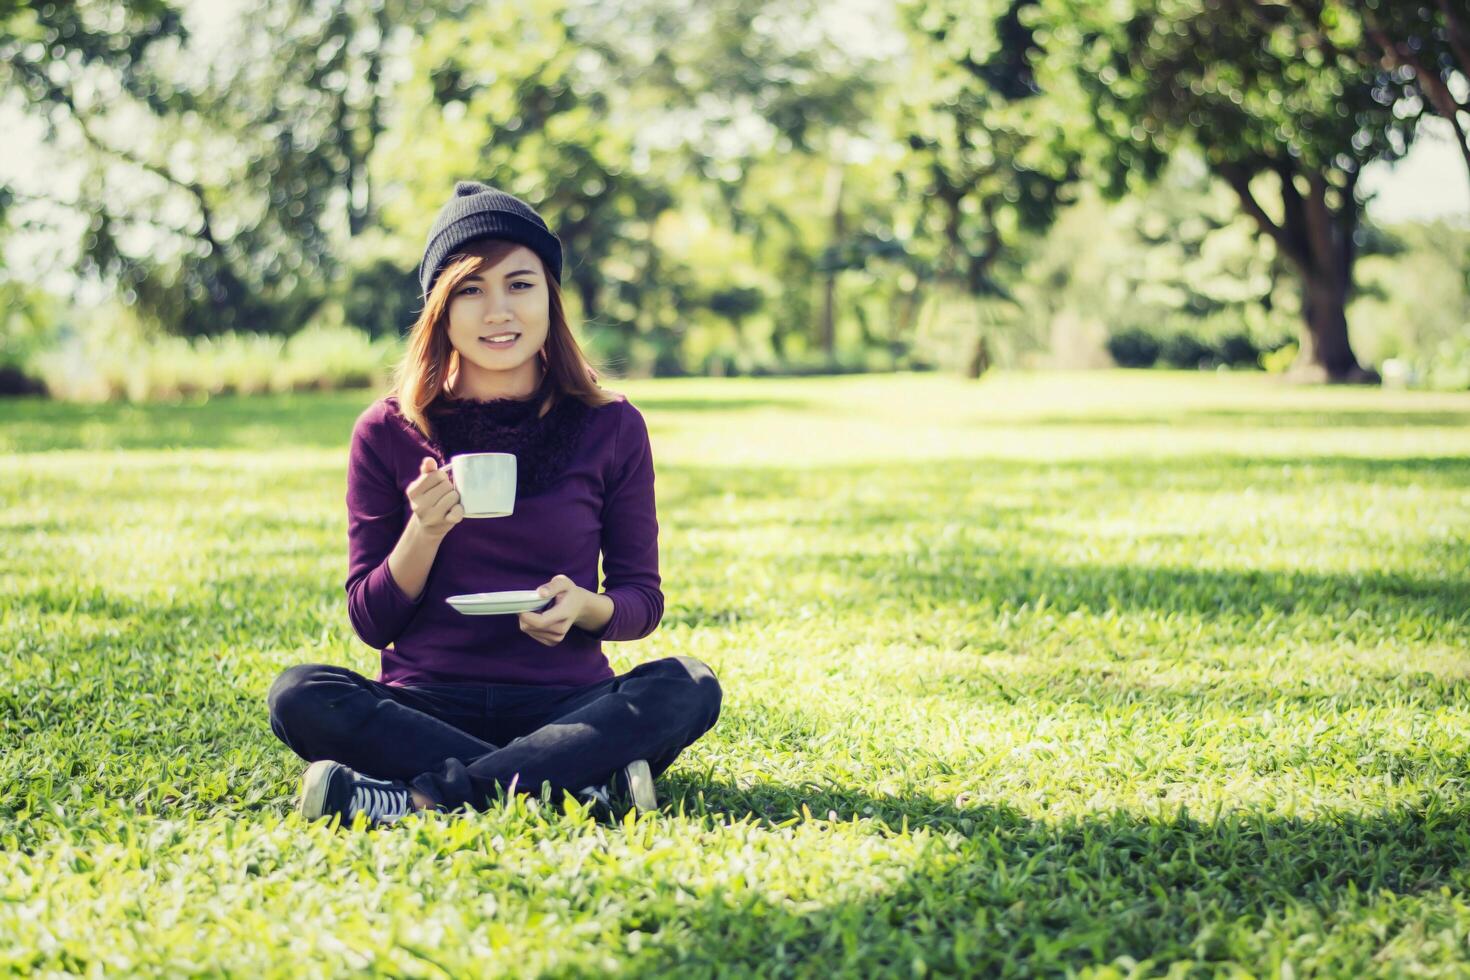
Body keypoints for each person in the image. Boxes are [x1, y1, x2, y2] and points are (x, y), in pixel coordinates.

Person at [266, 181, 722, 828]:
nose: (498, 311)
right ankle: (574, 781)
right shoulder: (388, 430)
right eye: (471, 290)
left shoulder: (611, 426)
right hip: (424, 705)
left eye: (520, 284)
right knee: (300, 694)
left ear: (551, 297)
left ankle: (421, 798)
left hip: (566, 702)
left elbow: (639, 601)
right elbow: (371, 621)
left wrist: (584, 608)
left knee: (690, 685)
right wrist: (422, 533)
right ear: (441, 311)